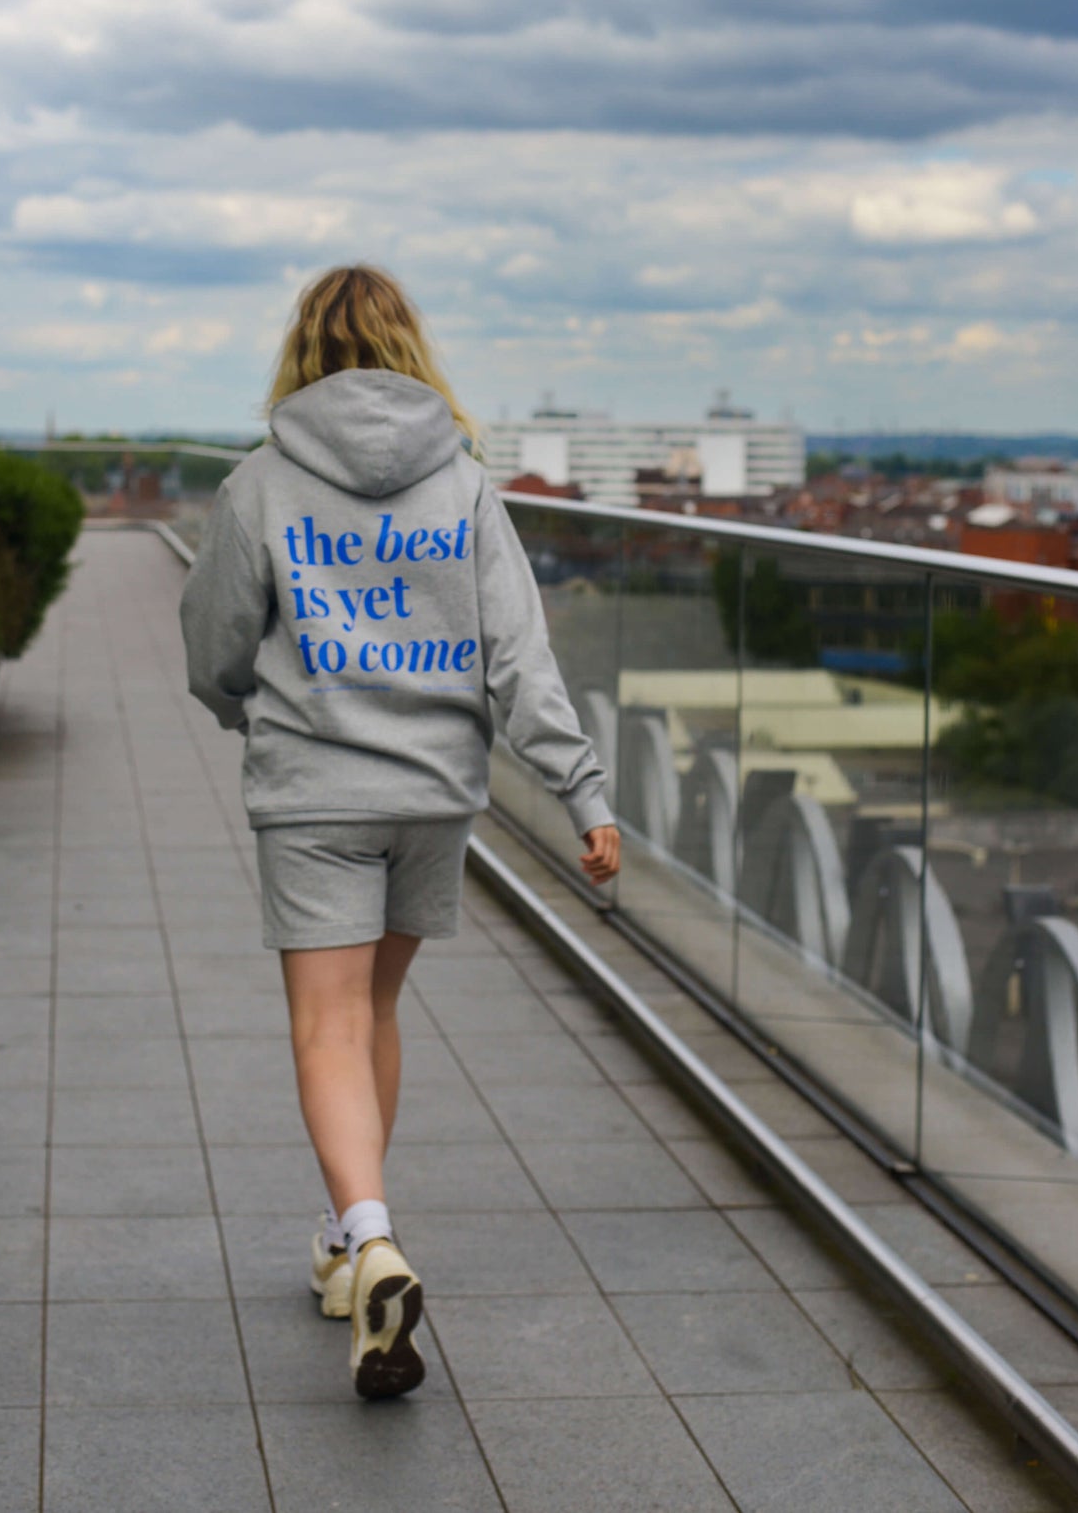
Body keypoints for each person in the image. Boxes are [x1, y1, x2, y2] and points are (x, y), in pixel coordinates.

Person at [180, 263, 620, 1399]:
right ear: (409, 350)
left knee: (323, 1024)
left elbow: (218, 645)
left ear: (300, 356)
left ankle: (371, 1239)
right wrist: (584, 795)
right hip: (434, 795)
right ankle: (344, 1244)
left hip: (316, 792)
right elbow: (520, 657)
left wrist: (248, 712)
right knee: (374, 1009)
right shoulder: (464, 487)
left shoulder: (261, 484)